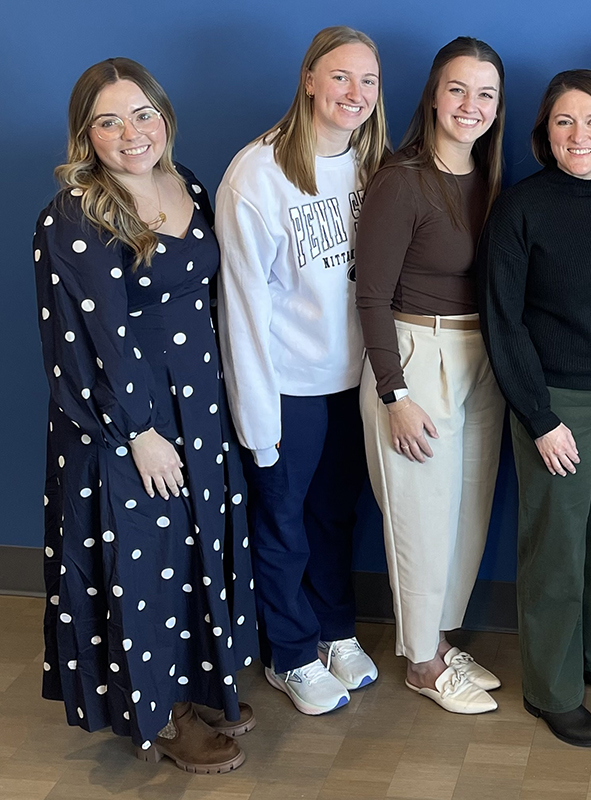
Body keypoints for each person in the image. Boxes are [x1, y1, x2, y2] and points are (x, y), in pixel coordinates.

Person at [33, 57, 257, 772]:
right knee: (144, 570)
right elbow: (88, 340)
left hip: (198, 407)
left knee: (191, 555)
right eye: (108, 121)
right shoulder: (75, 214)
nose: (131, 133)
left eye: (142, 114)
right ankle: (162, 718)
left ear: (163, 116)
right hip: (128, 424)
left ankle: (193, 681)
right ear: (85, 134)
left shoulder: (184, 179)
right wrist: (139, 433)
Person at [477, 69, 591, 748]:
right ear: (544, 133)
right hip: (558, 405)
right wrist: (540, 417)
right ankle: (551, 689)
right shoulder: (521, 208)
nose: (578, 135)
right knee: (556, 549)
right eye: (564, 122)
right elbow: (504, 322)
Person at [216, 26, 389, 716]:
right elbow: (242, 313)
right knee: (283, 521)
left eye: (369, 81)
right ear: (310, 79)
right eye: (341, 77)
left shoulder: (372, 164)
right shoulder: (255, 175)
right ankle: (289, 651)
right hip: (286, 388)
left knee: (335, 516)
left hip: (354, 381)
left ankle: (335, 629)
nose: (355, 93)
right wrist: (258, 424)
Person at [355, 37, 506, 715]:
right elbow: (371, 296)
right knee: (419, 519)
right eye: (457, 90)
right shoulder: (402, 178)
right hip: (416, 358)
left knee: (466, 515)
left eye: (485, 94)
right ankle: (420, 662)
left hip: (482, 360)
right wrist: (394, 392)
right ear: (432, 95)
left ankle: (439, 641)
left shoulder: (491, 178)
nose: (470, 106)